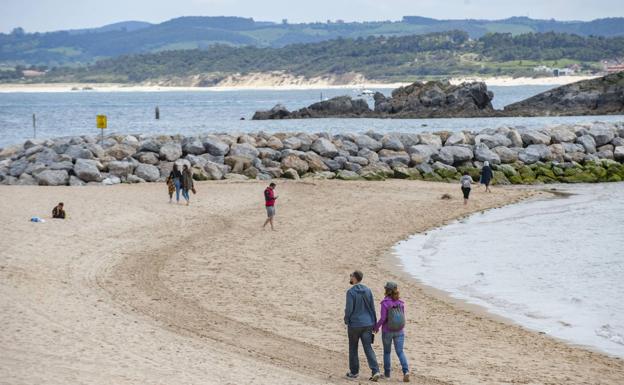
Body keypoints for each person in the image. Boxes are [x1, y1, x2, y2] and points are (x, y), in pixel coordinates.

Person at [344, 270, 381, 382]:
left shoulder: (350, 292)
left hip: (355, 325)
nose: (350, 277)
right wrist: (374, 322)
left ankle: (354, 372)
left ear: (354, 278)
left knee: (353, 348)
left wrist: (346, 320)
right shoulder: (368, 290)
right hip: (368, 323)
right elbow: (372, 307)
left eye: (351, 276)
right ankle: (376, 371)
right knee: (368, 348)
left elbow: (349, 309)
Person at [374, 282, 410, 382]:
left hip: (387, 331)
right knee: (400, 351)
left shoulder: (385, 303)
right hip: (399, 330)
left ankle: (387, 374)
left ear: (386, 290)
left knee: (387, 352)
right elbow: (403, 317)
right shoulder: (401, 303)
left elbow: (383, 318)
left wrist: (376, 327)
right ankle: (406, 371)